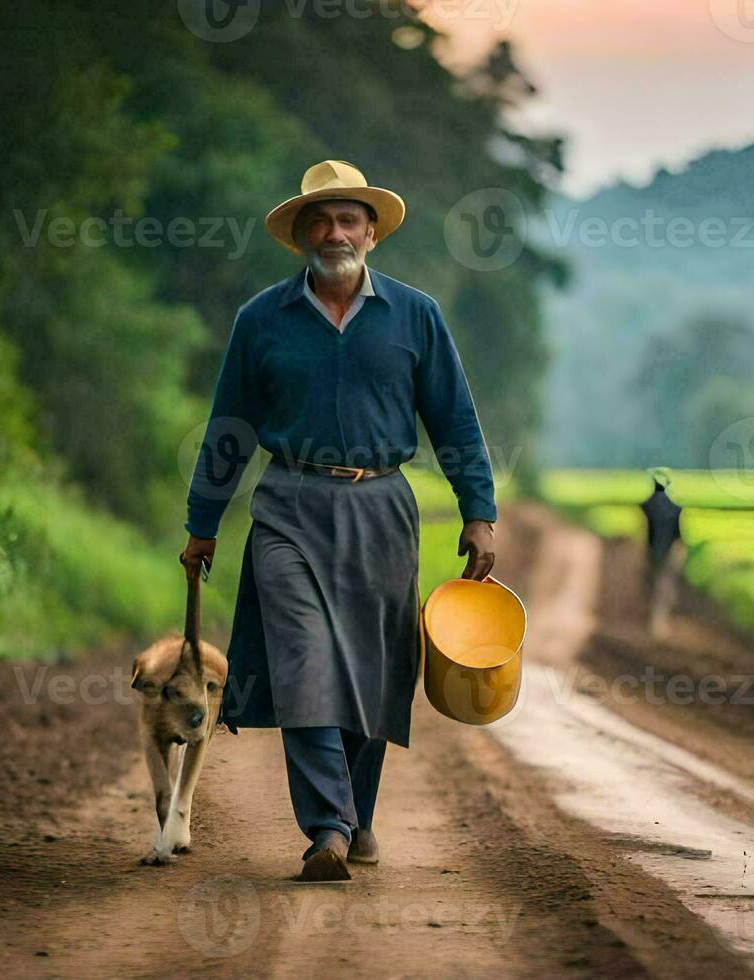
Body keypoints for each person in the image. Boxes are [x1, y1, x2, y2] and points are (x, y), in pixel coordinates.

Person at [179, 161, 498, 882]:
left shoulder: (415, 315)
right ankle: (326, 826)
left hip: (382, 507)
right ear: (299, 237)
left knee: (374, 669)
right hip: (289, 504)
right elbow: (229, 426)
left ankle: (357, 812)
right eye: (318, 221)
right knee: (303, 662)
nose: (334, 233)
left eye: (347, 219)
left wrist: (480, 511)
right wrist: (205, 519)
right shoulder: (261, 319)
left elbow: (456, 420)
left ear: (372, 231)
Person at [639, 473, 683, 637]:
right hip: (669, 552)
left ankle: (653, 623)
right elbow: (678, 533)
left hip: (655, 553)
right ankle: (659, 623)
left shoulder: (648, 504)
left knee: (654, 584)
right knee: (665, 585)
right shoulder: (675, 505)